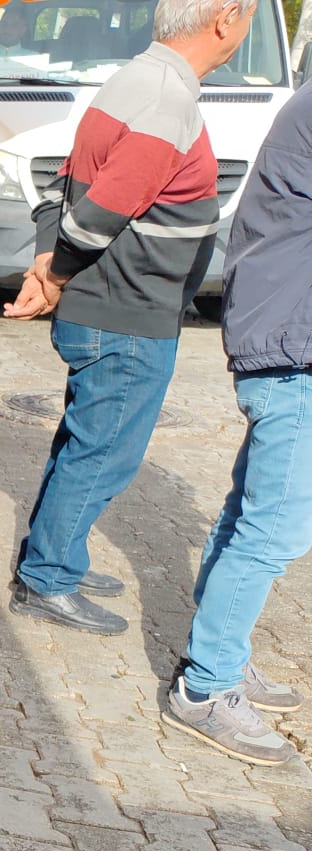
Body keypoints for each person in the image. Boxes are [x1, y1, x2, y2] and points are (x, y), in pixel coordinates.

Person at [3, 0, 257, 635]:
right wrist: (54, 275)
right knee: (105, 450)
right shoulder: (166, 97)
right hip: (126, 310)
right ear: (225, 18)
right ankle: (48, 577)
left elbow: (68, 183)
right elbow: (98, 212)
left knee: (86, 439)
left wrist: (46, 262)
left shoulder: (139, 78)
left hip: (117, 303)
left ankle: (57, 554)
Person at [162, 81, 312, 767]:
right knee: (272, 529)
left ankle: (221, 653)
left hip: (284, 340)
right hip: (293, 352)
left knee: (247, 514)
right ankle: (206, 688)